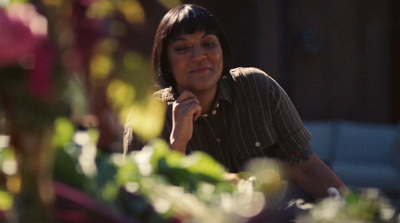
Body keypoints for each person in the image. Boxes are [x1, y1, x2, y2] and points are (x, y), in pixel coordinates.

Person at [124, 4, 346, 199]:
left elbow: (306, 167)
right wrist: (178, 143)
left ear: (223, 50)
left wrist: (359, 212)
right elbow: (139, 202)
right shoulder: (146, 115)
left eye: (209, 44)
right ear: (165, 61)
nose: (199, 55)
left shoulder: (258, 88)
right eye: (182, 48)